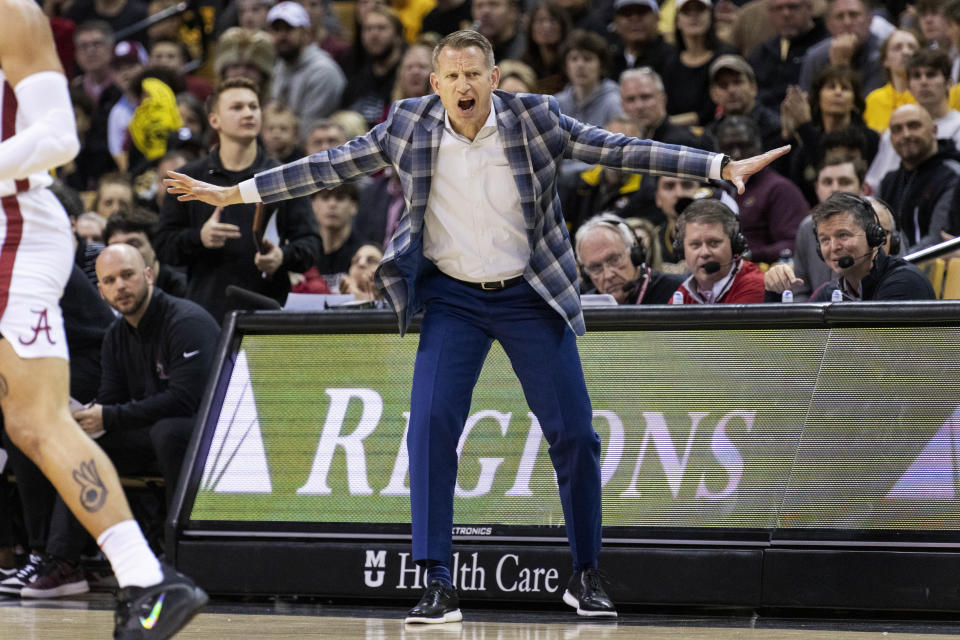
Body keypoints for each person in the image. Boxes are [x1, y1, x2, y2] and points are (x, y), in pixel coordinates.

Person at [164, 29, 788, 623]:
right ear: (435, 82)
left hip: (529, 294)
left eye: (474, 74)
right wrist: (237, 193)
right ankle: (437, 579)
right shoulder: (407, 124)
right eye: (452, 75)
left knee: (574, 435)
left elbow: (617, 147)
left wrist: (716, 164)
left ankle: (586, 573)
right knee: (431, 431)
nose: (464, 85)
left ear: (493, 78)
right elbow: (329, 165)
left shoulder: (534, 117)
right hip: (452, 299)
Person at [0, 0, 206, 635]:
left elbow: (60, 137)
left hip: (14, 229)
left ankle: (147, 578)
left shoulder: (13, 17)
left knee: (36, 422)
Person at [155, 77, 321, 323]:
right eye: (237, 107)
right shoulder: (191, 178)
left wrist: (281, 256)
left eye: (253, 107)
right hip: (205, 313)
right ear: (214, 120)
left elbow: (311, 245)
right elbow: (162, 245)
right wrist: (199, 238)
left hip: (268, 312)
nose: (248, 113)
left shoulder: (284, 177)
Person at [765, 155, 866, 299]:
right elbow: (800, 292)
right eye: (827, 182)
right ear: (816, 188)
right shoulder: (806, 228)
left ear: (862, 188)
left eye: (844, 182)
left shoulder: (876, 222)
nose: (835, 189)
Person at [715, 116, 808, 263]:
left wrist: (748, 255)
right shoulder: (714, 190)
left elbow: (794, 244)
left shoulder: (779, 189)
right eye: (729, 147)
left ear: (759, 147)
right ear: (718, 151)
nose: (737, 154)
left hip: (765, 275)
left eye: (744, 145)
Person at [807, 193, 935, 300]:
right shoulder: (827, 295)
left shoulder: (905, 283)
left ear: (873, 238)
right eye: (825, 240)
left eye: (843, 235)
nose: (833, 247)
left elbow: (873, 331)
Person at [866, 48, 960, 191]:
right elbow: (875, 184)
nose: (923, 82)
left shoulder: (958, 125)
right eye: (917, 76)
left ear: (949, 82)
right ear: (908, 86)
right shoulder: (897, 130)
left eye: (931, 75)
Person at [877, 104, 960, 252]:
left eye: (914, 126)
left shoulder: (953, 175)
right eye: (897, 130)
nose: (906, 134)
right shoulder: (888, 182)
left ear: (934, 131)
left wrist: (895, 267)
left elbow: (938, 240)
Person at [670, 199, 766, 303]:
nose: (704, 253)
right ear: (682, 249)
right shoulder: (685, 292)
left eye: (714, 243)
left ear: (734, 245)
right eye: (695, 245)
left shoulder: (753, 284)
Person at [269, 1, 347, 128]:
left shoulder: (323, 71)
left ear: (306, 32)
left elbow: (309, 130)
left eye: (289, 28)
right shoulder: (280, 67)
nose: (281, 35)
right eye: (276, 29)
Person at [575, 214, 685, 304]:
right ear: (586, 275)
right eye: (595, 268)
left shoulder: (679, 290)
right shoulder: (582, 308)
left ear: (635, 254)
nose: (608, 275)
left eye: (614, 260)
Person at [748, 0, 829, 112]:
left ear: (809, 8)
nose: (786, 14)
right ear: (770, 13)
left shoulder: (827, 48)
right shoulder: (763, 53)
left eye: (793, 7)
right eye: (778, 9)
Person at [798, 0, 884, 94]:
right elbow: (810, 103)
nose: (847, 22)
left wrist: (840, 66)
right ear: (828, 25)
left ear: (869, 20)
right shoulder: (815, 57)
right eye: (839, 16)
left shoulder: (884, 54)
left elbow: (867, 105)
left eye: (854, 15)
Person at [618, 67, 714, 149]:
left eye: (646, 97)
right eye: (630, 100)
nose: (639, 106)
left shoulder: (683, 143)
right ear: (622, 104)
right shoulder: (619, 144)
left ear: (663, 99)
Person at [706, 54, 783, 152]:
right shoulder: (710, 136)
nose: (731, 90)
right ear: (713, 94)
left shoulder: (776, 130)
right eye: (723, 85)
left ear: (753, 87)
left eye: (738, 82)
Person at [104, 208, 188, 297]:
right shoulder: (108, 291)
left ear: (154, 248)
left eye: (133, 245)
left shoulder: (184, 289)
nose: (124, 254)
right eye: (116, 248)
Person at [555, 30, 624, 128]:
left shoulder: (614, 102)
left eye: (587, 59)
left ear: (601, 65)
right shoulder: (557, 103)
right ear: (566, 66)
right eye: (574, 59)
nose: (580, 65)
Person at [862, 29, 920, 133]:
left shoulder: (929, 96)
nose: (906, 52)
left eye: (912, 47)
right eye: (897, 48)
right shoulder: (874, 100)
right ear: (886, 60)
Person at [608, 0, 676, 81]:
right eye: (626, 13)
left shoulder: (673, 59)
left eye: (642, 12)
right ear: (616, 22)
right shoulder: (609, 62)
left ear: (657, 18)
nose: (635, 18)